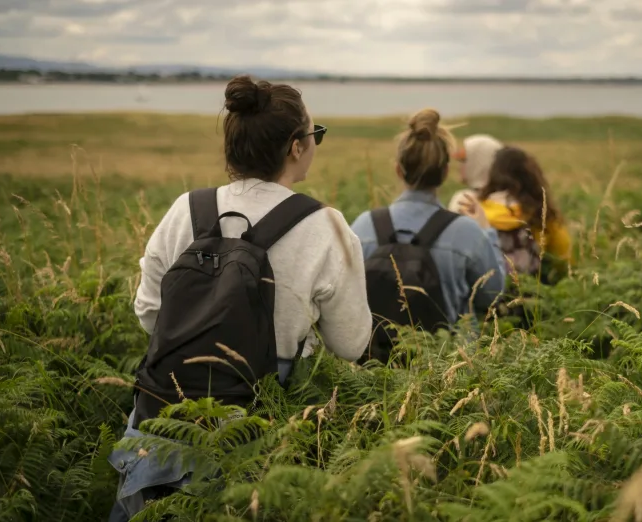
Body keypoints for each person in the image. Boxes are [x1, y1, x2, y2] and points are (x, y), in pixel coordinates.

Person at [107, 77, 372, 521]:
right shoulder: (325, 225)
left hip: (161, 416)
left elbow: (148, 313)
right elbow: (351, 344)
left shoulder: (185, 210)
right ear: (295, 147)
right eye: (315, 135)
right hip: (260, 427)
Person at [350, 109, 505, 361]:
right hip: (450, 368)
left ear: (399, 170)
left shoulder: (364, 226)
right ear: (445, 172)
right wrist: (488, 232)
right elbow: (493, 295)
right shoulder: (467, 232)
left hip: (375, 373)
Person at [477, 146, 572, 279]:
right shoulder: (540, 212)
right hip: (532, 293)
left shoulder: (476, 211)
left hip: (486, 290)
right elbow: (564, 258)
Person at [447, 134, 504, 215]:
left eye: (464, 160)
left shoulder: (463, 200)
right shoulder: (512, 201)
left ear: (480, 163)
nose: (460, 167)